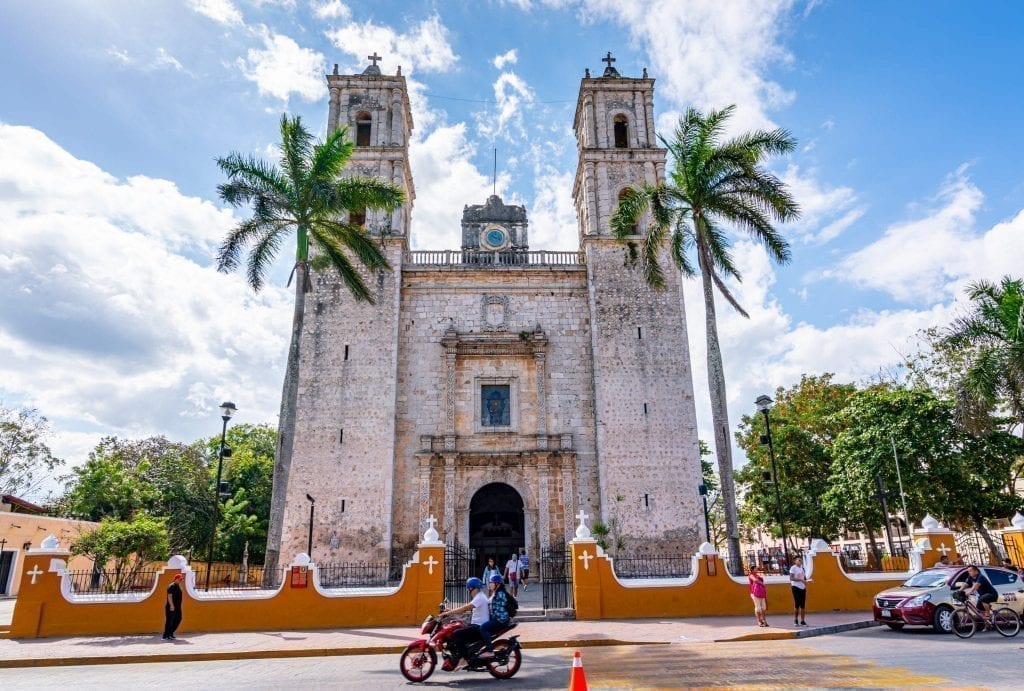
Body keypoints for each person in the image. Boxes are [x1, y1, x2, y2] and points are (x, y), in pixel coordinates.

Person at [443, 577, 493, 664]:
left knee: (457, 634)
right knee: (456, 628)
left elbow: (465, 608)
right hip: (476, 625)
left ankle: (464, 659)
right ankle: (463, 654)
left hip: (479, 627)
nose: (469, 591)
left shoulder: (480, 597)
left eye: (469, 588)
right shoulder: (479, 597)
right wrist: (450, 612)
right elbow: (464, 611)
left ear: (473, 588)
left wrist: (448, 613)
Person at [479, 573, 513, 655]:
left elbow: (499, 609)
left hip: (500, 620)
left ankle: (489, 651)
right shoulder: (496, 592)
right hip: (498, 619)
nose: (490, 584)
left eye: (491, 582)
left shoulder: (500, 594)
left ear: (497, 584)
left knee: (483, 628)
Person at [162, 573, 184, 640]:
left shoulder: (178, 586)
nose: (181, 580)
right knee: (170, 621)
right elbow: (169, 596)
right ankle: (166, 635)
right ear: (176, 579)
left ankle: (170, 633)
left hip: (177, 608)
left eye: (181, 579)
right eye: (180, 579)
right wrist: (171, 605)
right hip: (171, 607)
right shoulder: (171, 586)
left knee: (178, 619)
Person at [789, 555, 808, 626]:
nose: (800, 561)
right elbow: (791, 578)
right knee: (797, 604)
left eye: (801, 560)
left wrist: (807, 580)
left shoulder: (802, 568)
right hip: (795, 587)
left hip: (803, 587)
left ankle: (802, 621)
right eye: (798, 560)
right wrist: (800, 580)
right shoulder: (793, 568)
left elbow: (804, 577)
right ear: (795, 561)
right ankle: (796, 620)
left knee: (803, 605)